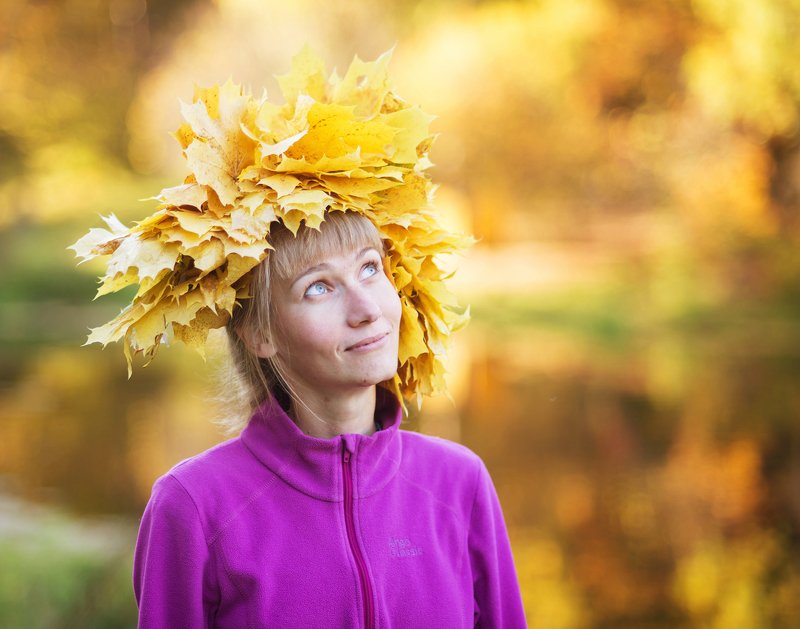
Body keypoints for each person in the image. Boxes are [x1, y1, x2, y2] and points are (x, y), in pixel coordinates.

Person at [72, 48, 525, 628]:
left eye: (369, 269)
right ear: (259, 333)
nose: (366, 309)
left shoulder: (458, 485)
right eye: (319, 288)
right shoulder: (194, 508)